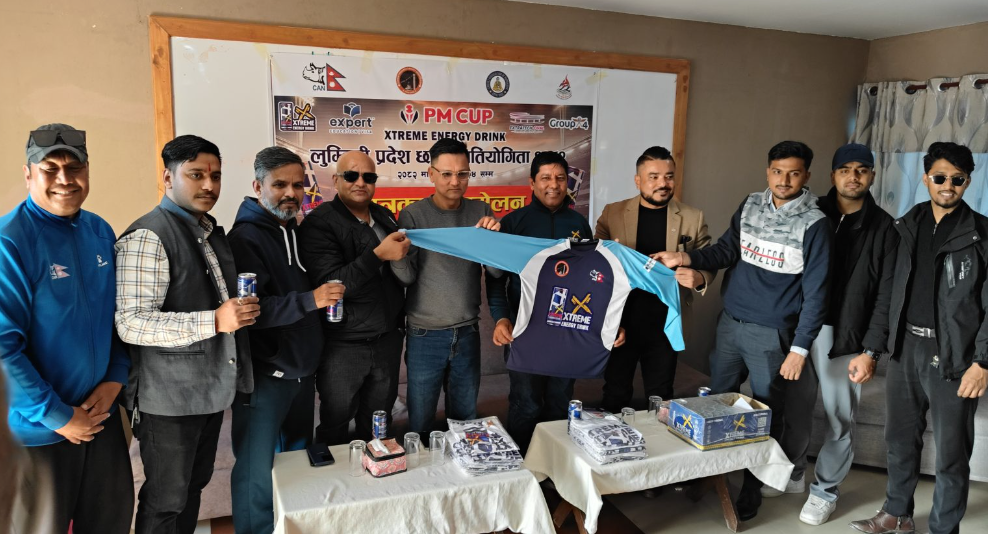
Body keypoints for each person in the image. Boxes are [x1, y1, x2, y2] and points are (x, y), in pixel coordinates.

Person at [659, 140, 831, 521]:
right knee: (716, 405)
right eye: (777, 171)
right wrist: (685, 257)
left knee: (765, 415)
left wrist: (799, 350)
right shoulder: (751, 204)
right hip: (730, 324)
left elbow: (817, 294)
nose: (783, 180)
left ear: (806, 175)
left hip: (773, 334)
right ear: (767, 171)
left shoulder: (816, 224)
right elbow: (725, 251)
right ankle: (710, 477)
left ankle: (751, 491)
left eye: (793, 173)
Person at [116, 134, 260, 534]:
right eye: (196, 175)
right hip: (167, 399)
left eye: (216, 176)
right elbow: (131, 322)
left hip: (205, 390)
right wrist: (214, 321)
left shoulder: (207, 230)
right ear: (168, 178)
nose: (209, 185)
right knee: (166, 501)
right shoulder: (148, 235)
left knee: (192, 488)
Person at [0, 123, 132, 533]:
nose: (64, 179)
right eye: (49, 168)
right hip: (37, 433)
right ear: (28, 174)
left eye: (74, 167)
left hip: (100, 418)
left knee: (111, 522)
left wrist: (115, 378)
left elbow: (116, 317)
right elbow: (3, 349)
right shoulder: (10, 241)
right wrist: (57, 416)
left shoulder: (99, 230)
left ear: (87, 171)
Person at [850, 142, 987, 534]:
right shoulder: (904, 227)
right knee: (899, 440)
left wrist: (983, 362)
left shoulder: (983, 234)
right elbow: (888, 294)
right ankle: (897, 515)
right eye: (940, 177)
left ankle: (944, 529)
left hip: (954, 356)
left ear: (967, 182)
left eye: (957, 179)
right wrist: (872, 350)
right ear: (926, 179)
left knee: (951, 452)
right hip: (905, 349)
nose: (948, 186)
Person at [762, 144, 898, 525]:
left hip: (845, 335)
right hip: (800, 327)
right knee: (795, 406)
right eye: (845, 169)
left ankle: (825, 490)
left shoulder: (886, 228)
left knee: (839, 416)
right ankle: (793, 470)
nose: (853, 177)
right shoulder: (811, 211)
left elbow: (886, 295)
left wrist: (871, 350)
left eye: (862, 170)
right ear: (832, 174)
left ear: (872, 176)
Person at [227, 147, 345, 534]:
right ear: (258, 186)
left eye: (298, 185)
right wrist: (312, 300)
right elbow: (251, 311)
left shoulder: (295, 229)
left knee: (295, 467)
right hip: (266, 377)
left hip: (301, 373)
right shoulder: (245, 238)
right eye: (279, 185)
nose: (290, 193)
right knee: (255, 474)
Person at [390, 138, 501, 438]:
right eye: (447, 174)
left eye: (462, 174)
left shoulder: (481, 210)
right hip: (424, 334)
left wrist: (494, 242)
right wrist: (397, 255)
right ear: (431, 174)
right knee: (420, 425)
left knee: (466, 424)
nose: (455, 181)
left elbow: (495, 271)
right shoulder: (413, 214)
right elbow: (406, 278)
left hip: (467, 331)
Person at [297, 151, 410, 445]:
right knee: (335, 422)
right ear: (336, 180)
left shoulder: (384, 215)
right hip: (343, 345)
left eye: (368, 177)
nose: (360, 182)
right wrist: (377, 255)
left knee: (378, 424)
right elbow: (331, 285)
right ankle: (334, 475)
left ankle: (376, 471)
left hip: (386, 339)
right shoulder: (318, 223)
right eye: (351, 175)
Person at [486, 151, 594, 450]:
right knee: (526, 404)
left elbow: (590, 281)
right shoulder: (513, 223)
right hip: (523, 331)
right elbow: (496, 279)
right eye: (545, 178)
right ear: (532, 183)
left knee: (560, 403)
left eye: (560, 178)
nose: (553, 185)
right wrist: (501, 318)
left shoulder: (579, 224)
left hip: (567, 331)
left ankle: (556, 468)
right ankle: (524, 469)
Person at [594, 146, 714, 412]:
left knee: (661, 397)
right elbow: (594, 263)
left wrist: (699, 277)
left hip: (666, 322)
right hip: (621, 321)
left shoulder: (693, 218)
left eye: (669, 176)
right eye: (654, 177)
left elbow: (708, 259)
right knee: (614, 394)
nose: (663, 183)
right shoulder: (613, 213)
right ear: (638, 180)